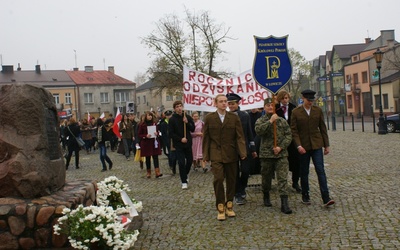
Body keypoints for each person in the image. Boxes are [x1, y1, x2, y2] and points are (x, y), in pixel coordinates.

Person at [202, 94, 247, 221]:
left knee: (232, 180)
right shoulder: (209, 118)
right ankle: (220, 206)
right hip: (215, 153)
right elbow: (206, 138)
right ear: (215, 103)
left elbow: (239, 136)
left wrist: (242, 152)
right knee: (218, 178)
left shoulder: (233, 117)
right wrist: (205, 155)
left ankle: (229, 204)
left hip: (231, 153)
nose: (223, 103)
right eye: (221, 101)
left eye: (225, 101)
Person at [291, 89, 335, 207]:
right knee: (304, 172)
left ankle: (326, 197)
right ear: (303, 99)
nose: (310, 102)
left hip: (316, 145)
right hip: (303, 146)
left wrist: (326, 145)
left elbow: (323, 128)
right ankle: (305, 194)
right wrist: (298, 145)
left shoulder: (318, 111)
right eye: (308, 100)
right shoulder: (296, 112)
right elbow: (293, 131)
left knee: (320, 170)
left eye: (312, 100)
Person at [255, 97, 293, 214]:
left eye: (272, 105)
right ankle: (266, 195)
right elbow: (259, 131)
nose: (270, 107)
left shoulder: (281, 121)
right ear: (265, 108)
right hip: (267, 155)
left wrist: (281, 147)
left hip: (281, 154)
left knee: (282, 179)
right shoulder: (261, 120)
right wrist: (270, 121)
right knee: (266, 178)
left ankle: (284, 203)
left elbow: (288, 135)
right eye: (268, 106)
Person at [226, 93, 257, 205]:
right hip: (231, 148)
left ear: (238, 103)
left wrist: (253, 148)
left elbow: (249, 132)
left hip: (244, 147)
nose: (231, 106)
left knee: (245, 171)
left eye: (233, 104)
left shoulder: (245, 115)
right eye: (229, 104)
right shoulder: (225, 115)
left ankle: (242, 187)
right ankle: (238, 193)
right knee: (234, 172)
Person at [275, 90, 302, 193]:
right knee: (282, 163)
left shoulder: (293, 107)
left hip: (293, 138)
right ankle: (282, 183)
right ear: (280, 99)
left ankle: (295, 182)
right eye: (283, 98)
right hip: (280, 139)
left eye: (287, 98)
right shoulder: (275, 108)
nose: (285, 100)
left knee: (296, 161)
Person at [169, 101, 195, 189]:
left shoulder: (187, 117)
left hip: (188, 143)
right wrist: (180, 139)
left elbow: (193, 129)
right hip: (179, 144)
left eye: (180, 106)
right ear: (175, 109)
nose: (179, 108)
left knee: (190, 160)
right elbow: (171, 133)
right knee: (181, 162)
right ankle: (183, 181)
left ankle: (185, 174)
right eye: (177, 107)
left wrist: (187, 122)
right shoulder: (172, 119)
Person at [138, 111, 163, 178]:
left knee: (155, 157)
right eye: (149, 115)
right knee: (148, 157)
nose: (150, 117)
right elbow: (139, 134)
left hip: (154, 142)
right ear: (146, 116)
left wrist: (156, 133)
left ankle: (157, 172)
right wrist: (145, 136)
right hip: (146, 143)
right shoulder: (142, 125)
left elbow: (158, 132)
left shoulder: (154, 124)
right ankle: (148, 172)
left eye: (151, 115)